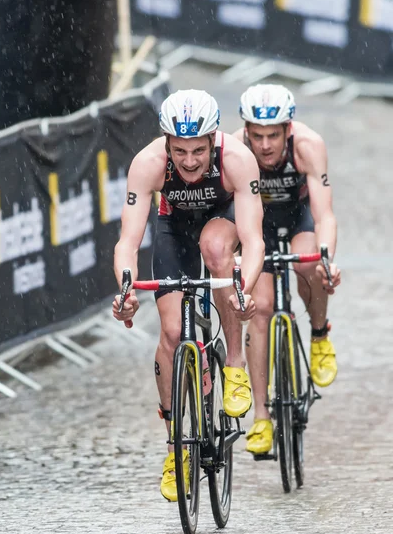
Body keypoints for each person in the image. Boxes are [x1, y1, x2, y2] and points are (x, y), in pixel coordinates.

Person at [113, 89, 265, 500]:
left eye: (199, 150)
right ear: (166, 142)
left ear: (214, 139)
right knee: (170, 334)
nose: (190, 161)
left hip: (222, 219)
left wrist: (243, 288)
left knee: (217, 249)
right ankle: (175, 447)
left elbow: (253, 242)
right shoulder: (148, 164)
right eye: (179, 151)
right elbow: (127, 242)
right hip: (174, 228)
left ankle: (233, 364)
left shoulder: (237, 159)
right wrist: (126, 289)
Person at [234, 84, 341, 456]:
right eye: (257, 136)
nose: (264, 145)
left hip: (299, 217)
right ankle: (261, 417)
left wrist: (326, 257)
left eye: (273, 136)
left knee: (310, 265)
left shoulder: (309, 146)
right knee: (260, 308)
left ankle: (319, 335)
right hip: (257, 225)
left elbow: (325, 214)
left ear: (288, 130)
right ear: (246, 130)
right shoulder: (235, 149)